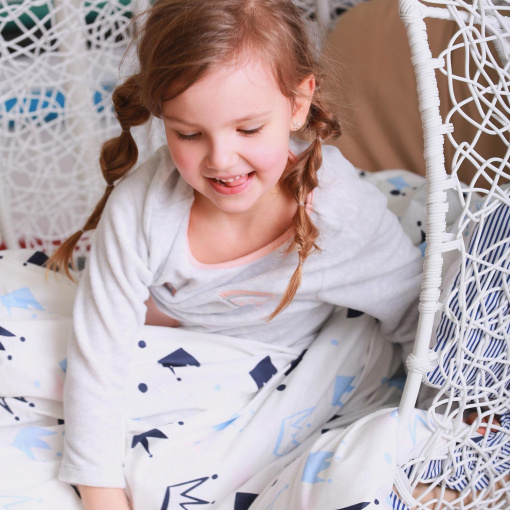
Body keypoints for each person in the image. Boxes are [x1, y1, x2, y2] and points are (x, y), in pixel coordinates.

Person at [47, 0, 422, 508]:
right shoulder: (143, 207)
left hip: (288, 367)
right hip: (169, 355)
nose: (221, 160)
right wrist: (101, 495)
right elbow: (99, 354)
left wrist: (452, 408)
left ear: (298, 103)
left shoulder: (341, 216)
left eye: (248, 129)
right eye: (188, 134)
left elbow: (415, 313)